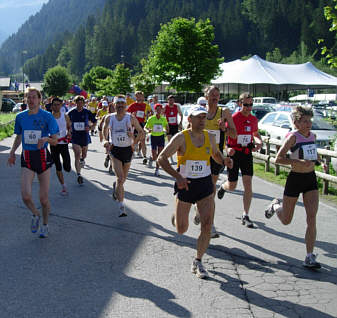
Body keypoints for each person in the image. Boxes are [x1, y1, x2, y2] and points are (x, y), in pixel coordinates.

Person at [157, 105, 233, 279]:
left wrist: (224, 160)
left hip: (205, 186)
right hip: (186, 185)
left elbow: (215, 153)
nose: (202, 120)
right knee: (181, 229)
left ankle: (198, 261)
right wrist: (177, 177)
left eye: (204, 117)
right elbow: (161, 158)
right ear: (189, 119)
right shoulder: (181, 137)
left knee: (207, 224)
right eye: (198, 117)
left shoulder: (209, 136)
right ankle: (177, 213)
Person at [265, 106, 324, 269]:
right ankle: (276, 205)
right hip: (295, 179)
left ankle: (309, 256)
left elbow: (313, 152)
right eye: (304, 121)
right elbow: (278, 159)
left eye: (309, 121)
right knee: (286, 220)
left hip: (310, 179)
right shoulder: (292, 137)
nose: (308, 124)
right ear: (296, 122)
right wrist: (298, 162)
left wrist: (320, 161)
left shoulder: (313, 135)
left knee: (311, 218)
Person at [7, 87, 59, 238]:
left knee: (43, 199)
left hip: (43, 157)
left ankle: (45, 224)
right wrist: (11, 153)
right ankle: (35, 214)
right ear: (25, 100)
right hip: (27, 157)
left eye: (33, 97)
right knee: (26, 196)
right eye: (28, 97)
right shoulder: (21, 117)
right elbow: (18, 137)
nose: (31, 100)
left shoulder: (48, 116)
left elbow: (55, 141)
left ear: (39, 99)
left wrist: (46, 139)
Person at [194, 86, 237, 238]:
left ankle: (210, 224)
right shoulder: (200, 113)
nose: (215, 97)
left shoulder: (223, 112)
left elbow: (234, 134)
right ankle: (199, 208)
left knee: (211, 190)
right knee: (200, 187)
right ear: (205, 96)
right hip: (200, 154)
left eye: (217, 95)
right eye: (212, 95)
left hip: (216, 155)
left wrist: (224, 128)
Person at [217, 92, 262, 228]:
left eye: (251, 104)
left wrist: (259, 142)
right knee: (233, 185)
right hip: (234, 153)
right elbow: (223, 135)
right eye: (246, 104)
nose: (249, 107)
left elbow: (255, 134)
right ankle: (223, 187)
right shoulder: (234, 118)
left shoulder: (254, 119)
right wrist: (226, 149)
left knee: (248, 183)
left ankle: (245, 214)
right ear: (239, 103)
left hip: (247, 153)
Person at [103, 95, 144, 217]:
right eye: (118, 104)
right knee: (121, 178)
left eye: (122, 104)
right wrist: (105, 142)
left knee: (122, 180)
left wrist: (134, 142)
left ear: (125, 105)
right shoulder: (109, 118)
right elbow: (104, 131)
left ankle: (116, 187)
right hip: (115, 150)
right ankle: (121, 207)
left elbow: (141, 132)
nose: (120, 106)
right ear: (114, 105)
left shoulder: (130, 118)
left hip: (127, 150)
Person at [67, 95, 97, 185]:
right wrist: (68, 129)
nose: (79, 104)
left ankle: (82, 159)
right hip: (75, 136)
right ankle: (79, 175)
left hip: (84, 136)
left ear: (84, 103)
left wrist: (91, 127)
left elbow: (95, 121)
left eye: (81, 103)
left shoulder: (87, 112)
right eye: (78, 102)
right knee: (77, 154)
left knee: (84, 154)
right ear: (75, 103)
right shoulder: (71, 112)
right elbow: (66, 120)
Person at [50, 97, 72, 196]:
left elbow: (69, 127)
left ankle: (66, 167)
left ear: (61, 106)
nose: (56, 106)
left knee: (67, 167)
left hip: (63, 143)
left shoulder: (65, 116)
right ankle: (63, 186)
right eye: (54, 104)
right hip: (54, 144)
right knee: (58, 166)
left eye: (58, 104)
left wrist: (69, 133)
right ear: (51, 106)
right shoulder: (49, 117)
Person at [127, 91, 152, 163]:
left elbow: (151, 112)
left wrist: (148, 114)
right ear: (135, 97)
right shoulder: (132, 105)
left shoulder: (146, 105)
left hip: (142, 123)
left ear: (143, 97)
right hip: (134, 124)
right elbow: (127, 113)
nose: (139, 97)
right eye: (137, 96)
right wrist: (132, 115)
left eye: (140, 96)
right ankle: (133, 152)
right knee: (134, 140)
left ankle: (144, 157)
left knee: (143, 140)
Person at [144, 103, 169, 176]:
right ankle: (152, 158)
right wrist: (148, 130)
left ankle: (157, 169)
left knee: (160, 155)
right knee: (155, 156)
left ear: (162, 110)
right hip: (154, 137)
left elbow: (167, 128)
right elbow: (145, 127)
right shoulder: (151, 118)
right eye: (157, 109)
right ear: (155, 110)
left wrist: (165, 130)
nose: (158, 111)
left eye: (160, 109)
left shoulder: (163, 119)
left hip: (161, 137)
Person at [163, 95, 183, 164]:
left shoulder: (176, 106)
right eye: (170, 100)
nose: (171, 101)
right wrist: (165, 125)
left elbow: (181, 114)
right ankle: (170, 159)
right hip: (168, 126)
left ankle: (178, 158)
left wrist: (180, 123)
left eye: (172, 100)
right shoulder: (165, 107)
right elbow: (162, 116)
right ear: (167, 100)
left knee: (177, 142)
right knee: (170, 142)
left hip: (175, 126)